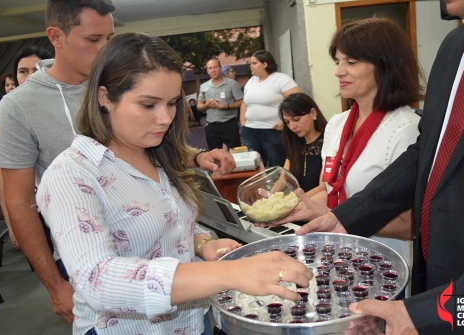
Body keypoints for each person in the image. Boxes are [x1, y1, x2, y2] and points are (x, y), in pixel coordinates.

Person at [37, 32, 313, 335]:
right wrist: (226, 272)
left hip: (193, 320)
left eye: (171, 104)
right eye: (148, 105)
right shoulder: (72, 175)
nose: (165, 118)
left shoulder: (158, 155)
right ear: (105, 98)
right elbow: (98, 280)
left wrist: (204, 244)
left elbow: (172, 221)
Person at [294, 0, 464, 333]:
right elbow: (427, 153)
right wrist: (347, 217)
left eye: (351, 61)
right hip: (434, 280)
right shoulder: (456, 45)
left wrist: (440, 313)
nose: (340, 70)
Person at [0, 0, 117, 324]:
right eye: (94, 40)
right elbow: (19, 202)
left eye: (110, 38)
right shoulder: (18, 106)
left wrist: (199, 155)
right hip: (84, 258)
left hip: (152, 240)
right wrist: (54, 285)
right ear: (56, 36)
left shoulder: (118, 83)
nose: (105, 49)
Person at [271, 18, 421, 271]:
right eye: (338, 62)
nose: (339, 71)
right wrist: (284, 208)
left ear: (386, 66)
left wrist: (335, 216)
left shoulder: (407, 129)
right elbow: (327, 187)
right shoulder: (337, 124)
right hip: (337, 253)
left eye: (351, 62)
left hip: (381, 262)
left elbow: (410, 224)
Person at [0, 45, 52, 249]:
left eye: (37, 70)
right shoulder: (9, 116)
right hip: (35, 209)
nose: (30, 77)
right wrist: (10, 219)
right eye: (23, 71)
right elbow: (1, 173)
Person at [240, 50, 301, 167]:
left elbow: (297, 101)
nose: (251, 66)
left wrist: (286, 121)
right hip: (250, 130)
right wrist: (243, 120)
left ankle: (279, 185)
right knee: (255, 165)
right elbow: (244, 103)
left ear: (265, 64)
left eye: (254, 63)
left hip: (272, 130)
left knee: (276, 164)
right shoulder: (251, 81)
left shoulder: (281, 79)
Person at [279, 93, 327, 193]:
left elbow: (323, 187)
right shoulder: (295, 142)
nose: (292, 127)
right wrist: (269, 197)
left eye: (296, 119)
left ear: (313, 113)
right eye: (287, 122)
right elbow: (283, 179)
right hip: (298, 202)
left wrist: (294, 202)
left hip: (318, 203)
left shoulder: (328, 142)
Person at [197, 59, 243, 150]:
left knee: (235, 154)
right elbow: (199, 106)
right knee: (214, 155)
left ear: (220, 68)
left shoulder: (232, 84)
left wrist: (227, 107)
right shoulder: (204, 86)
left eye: (215, 67)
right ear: (207, 71)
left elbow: (241, 101)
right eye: (210, 68)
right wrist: (207, 105)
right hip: (211, 126)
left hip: (229, 124)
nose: (213, 70)